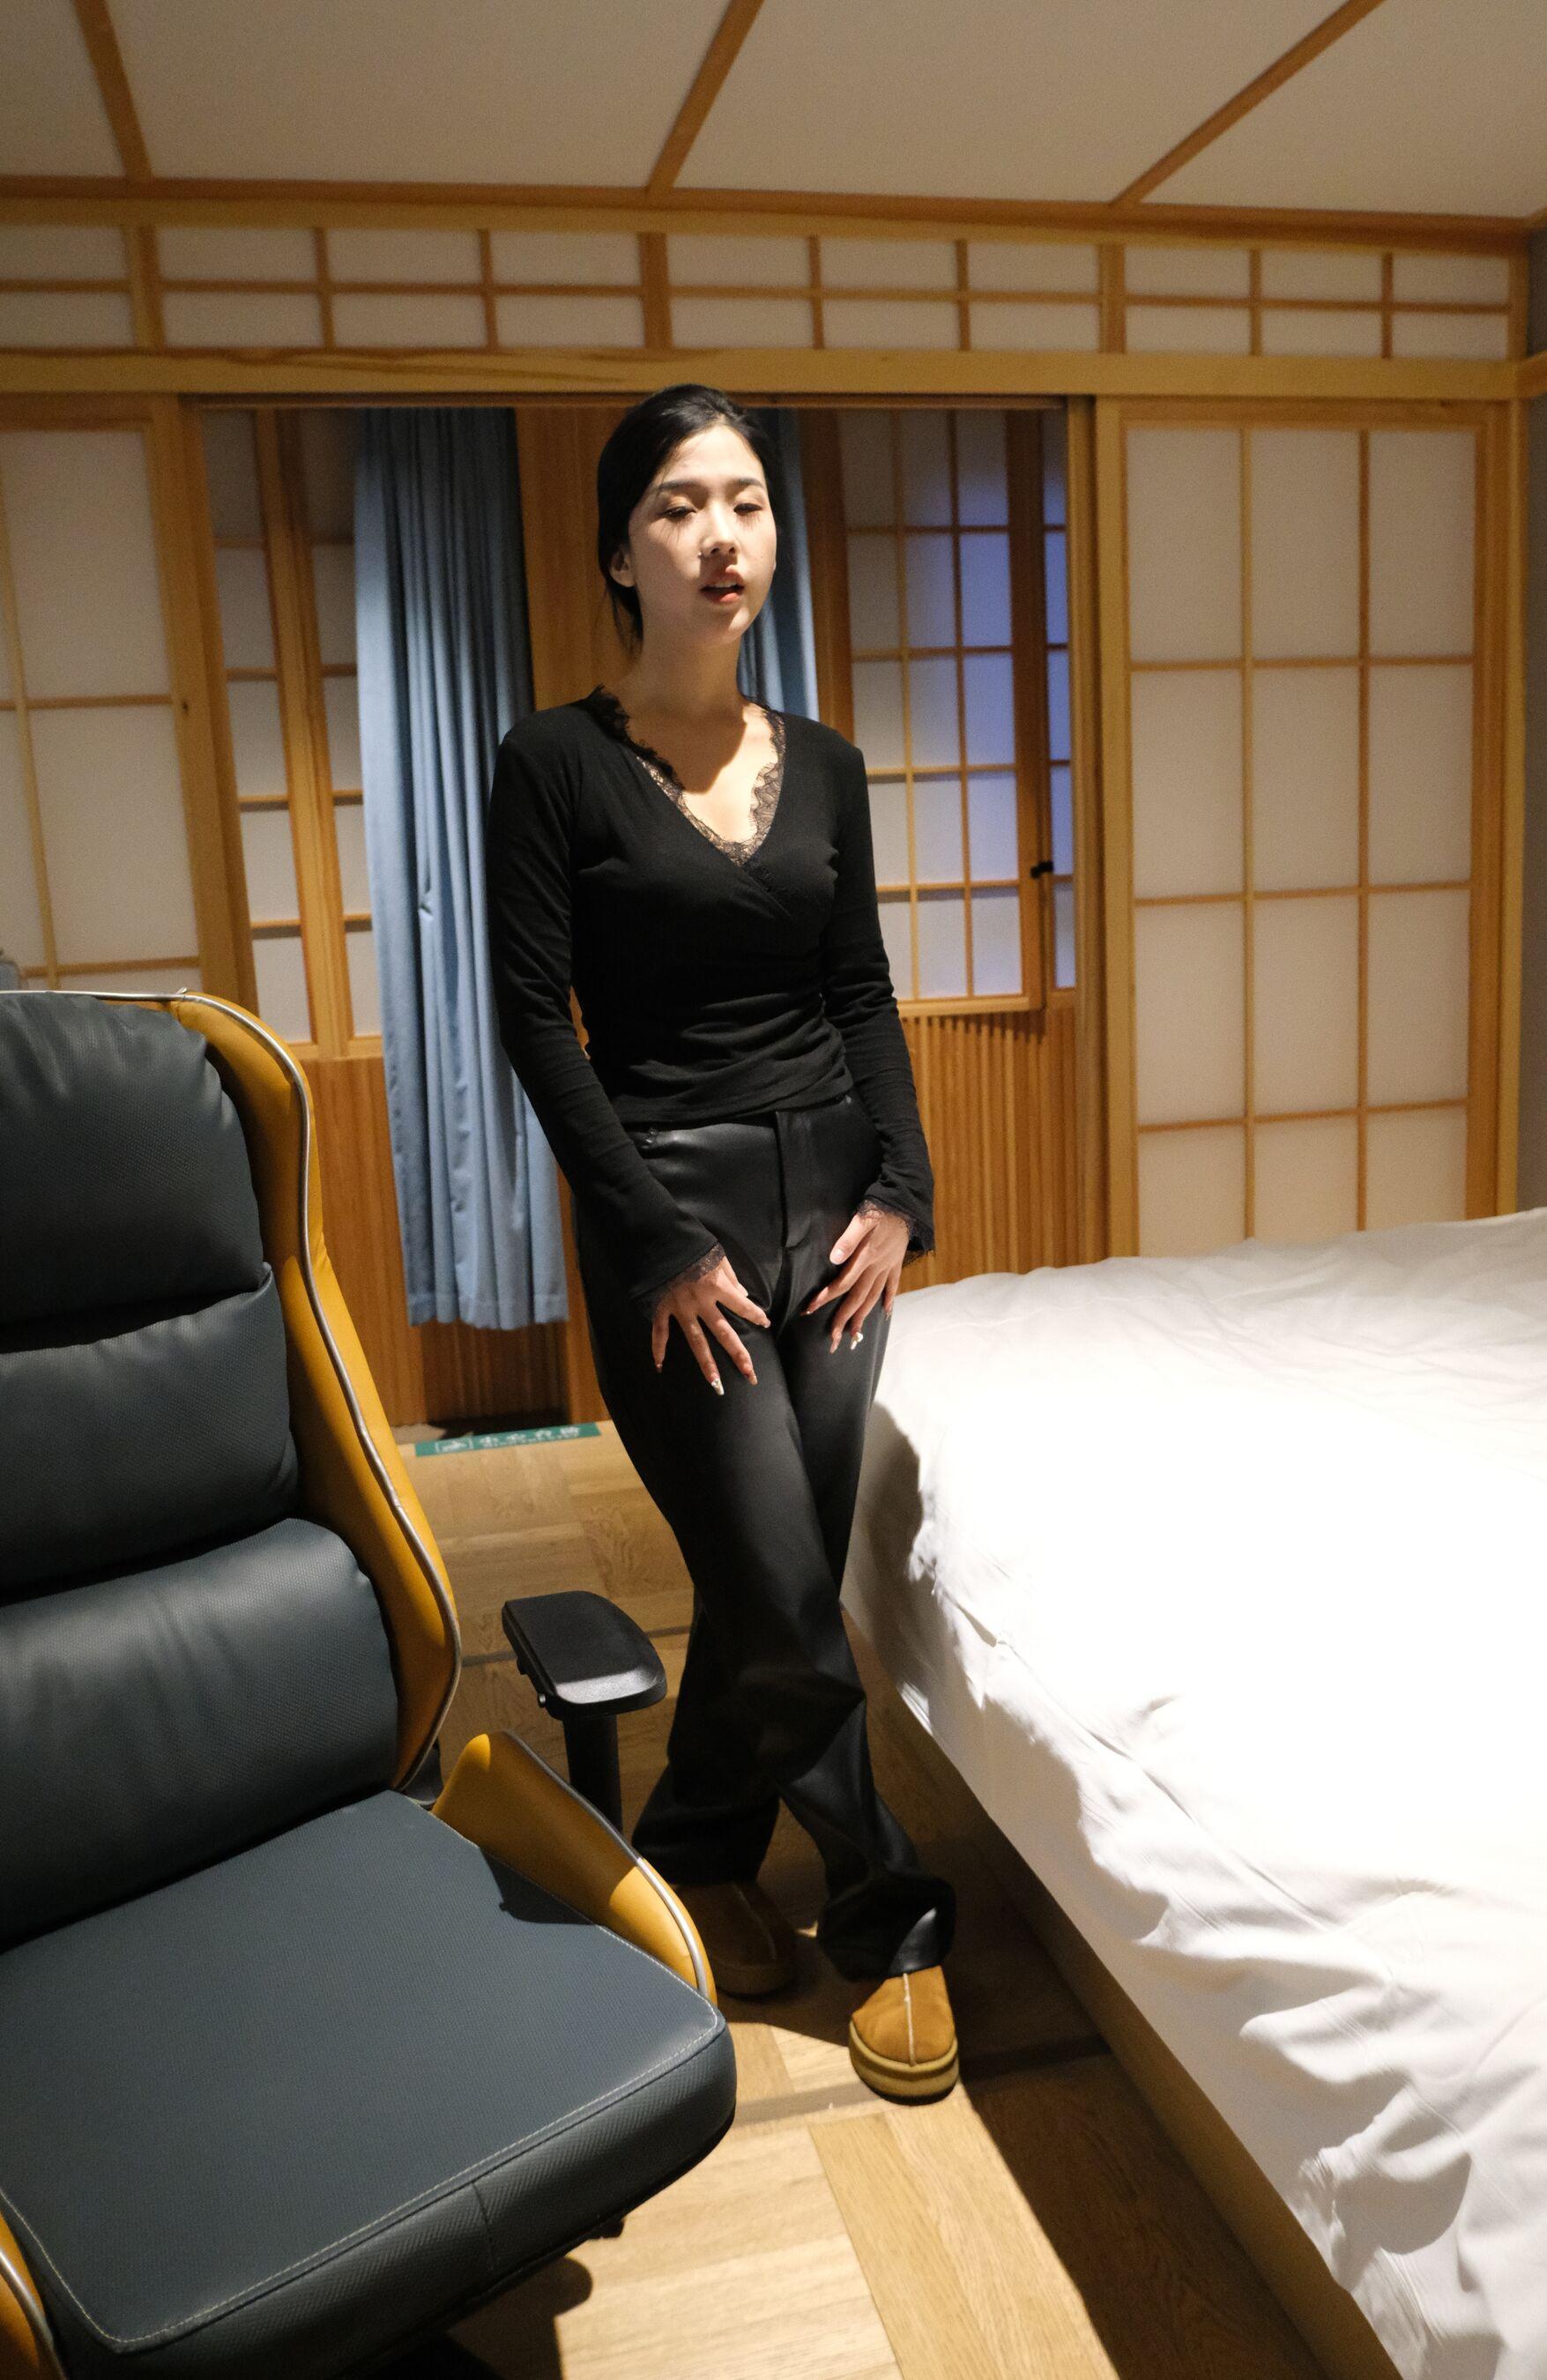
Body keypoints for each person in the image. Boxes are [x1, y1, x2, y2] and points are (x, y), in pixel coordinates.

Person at [484, 383, 958, 2102]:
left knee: (779, 1577)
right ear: (624, 552)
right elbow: (537, 1023)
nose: (719, 534)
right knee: (775, 1571)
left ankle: (689, 1846)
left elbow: (861, 990)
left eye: (744, 500)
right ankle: (888, 1907)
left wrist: (902, 1194)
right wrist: (659, 1243)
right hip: (669, 1218)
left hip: (834, 1205)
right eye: (678, 505)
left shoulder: (822, 764)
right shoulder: (552, 764)